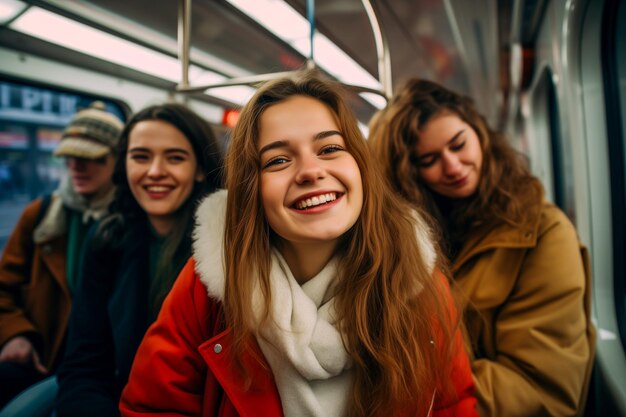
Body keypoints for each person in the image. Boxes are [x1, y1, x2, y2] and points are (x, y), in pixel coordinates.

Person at [119, 71, 477, 417]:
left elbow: (453, 406)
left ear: (361, 166)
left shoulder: (413, 280)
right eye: (277, 160)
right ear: (251, 190)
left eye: (330, 148)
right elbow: (153, 407)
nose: (309, 171)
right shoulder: (210, 285)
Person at [368, 78, 596, 417]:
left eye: (458, 144)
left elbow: (539, 386)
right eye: (429, 160)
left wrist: (409, 401)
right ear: (408, 176)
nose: (453, 167)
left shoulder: (542, 233)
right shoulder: (406, 239)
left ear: (479, 132)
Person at [52, 103, 223, 417]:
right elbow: (85, 362)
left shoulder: (224, 246)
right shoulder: (107, 239)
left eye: (175, 158)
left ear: (200, 169)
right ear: (124, 165)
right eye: (140, 157)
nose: (155, 171)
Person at [0, 102, 123, 408]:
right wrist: (16, 334)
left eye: (90, 158)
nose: (76, 167)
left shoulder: (128, 224)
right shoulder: (42, 215)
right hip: (41, 356)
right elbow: (4, 288)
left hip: (104, 369)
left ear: (118, 161)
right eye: (70, 157)